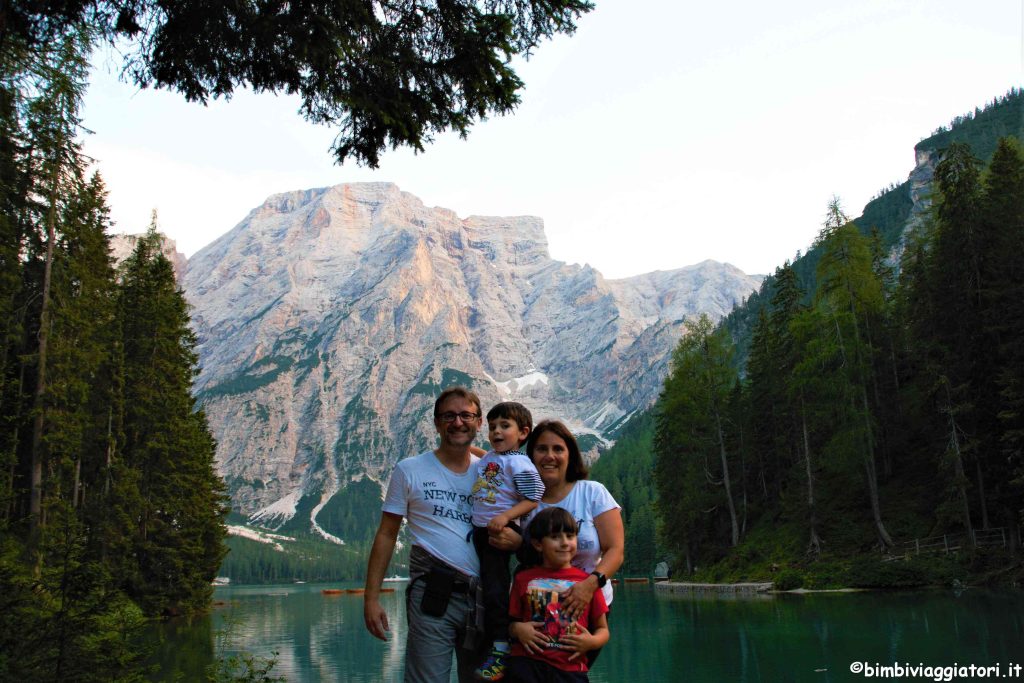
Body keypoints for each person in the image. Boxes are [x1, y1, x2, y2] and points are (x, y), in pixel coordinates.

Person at [363, 386, 486, 683]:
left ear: (479, 422)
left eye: (466, 415)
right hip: (432, 593)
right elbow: (387, 534)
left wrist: (484, 455)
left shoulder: (490, 471)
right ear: (435, 423)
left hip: (483, 597)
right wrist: (371, 598)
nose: (458, 422)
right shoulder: (410, 470)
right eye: (449, 416)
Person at [493, 419, 623, 668]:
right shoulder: (521, 501)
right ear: (529, 457)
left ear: (570, 455)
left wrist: (588, 586)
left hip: (588, 608)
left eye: (558, 449)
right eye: (541, 449)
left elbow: (616, 551)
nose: (549, 456)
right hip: (535, 613)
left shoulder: (592, 492)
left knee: (570, 673)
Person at [470, 402, 544, 680]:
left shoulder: (520, 463)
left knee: (495, 590)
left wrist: (505, 517)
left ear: (523, 433)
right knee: (487, 585)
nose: (496, 432)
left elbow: (533, 497)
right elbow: (484, 455)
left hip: (500, 532)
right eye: (492, 427)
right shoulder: (493, 456)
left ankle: (500, 649)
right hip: (481, 530)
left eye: (504, 426)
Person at [506, 507, 610, 682]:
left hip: (570, 669)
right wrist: (517, 629)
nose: (564, 543)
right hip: (526, 666)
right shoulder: (522, 579)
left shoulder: (588, 583)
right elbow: (509, 623)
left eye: (570, 536)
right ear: (538, 544)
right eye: (555, 537)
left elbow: (603, 630)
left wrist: (591, 642)